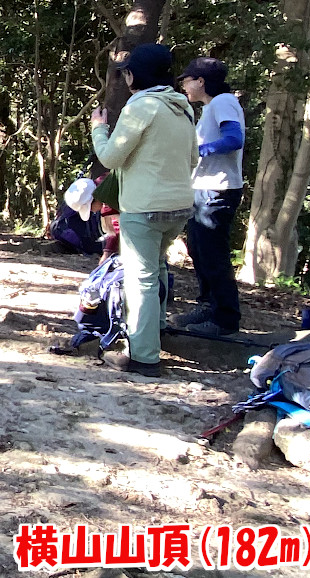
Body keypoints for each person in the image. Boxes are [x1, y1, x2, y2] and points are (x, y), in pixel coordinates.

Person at [89, 44, 197, 376]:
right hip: (179, 206)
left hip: (144, 208)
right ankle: (157, 329)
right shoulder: (183, 108)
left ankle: (144, 356)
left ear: (134, 75)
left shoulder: (142, 107)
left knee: (142, 279)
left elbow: (109, 157)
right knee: (158, 268)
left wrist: (98, 128)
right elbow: (193, 158)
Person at [171, 57, 245, 336]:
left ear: (201, 81)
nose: (184, 87)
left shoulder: (223, 102)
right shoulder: (212, 107)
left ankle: (224, 319)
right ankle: (207, 306)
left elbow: (234, 139)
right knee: (198, 250)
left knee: (213, 255)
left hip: (218, 190)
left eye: (187, 80)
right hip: (204, 189)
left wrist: (200, 151)